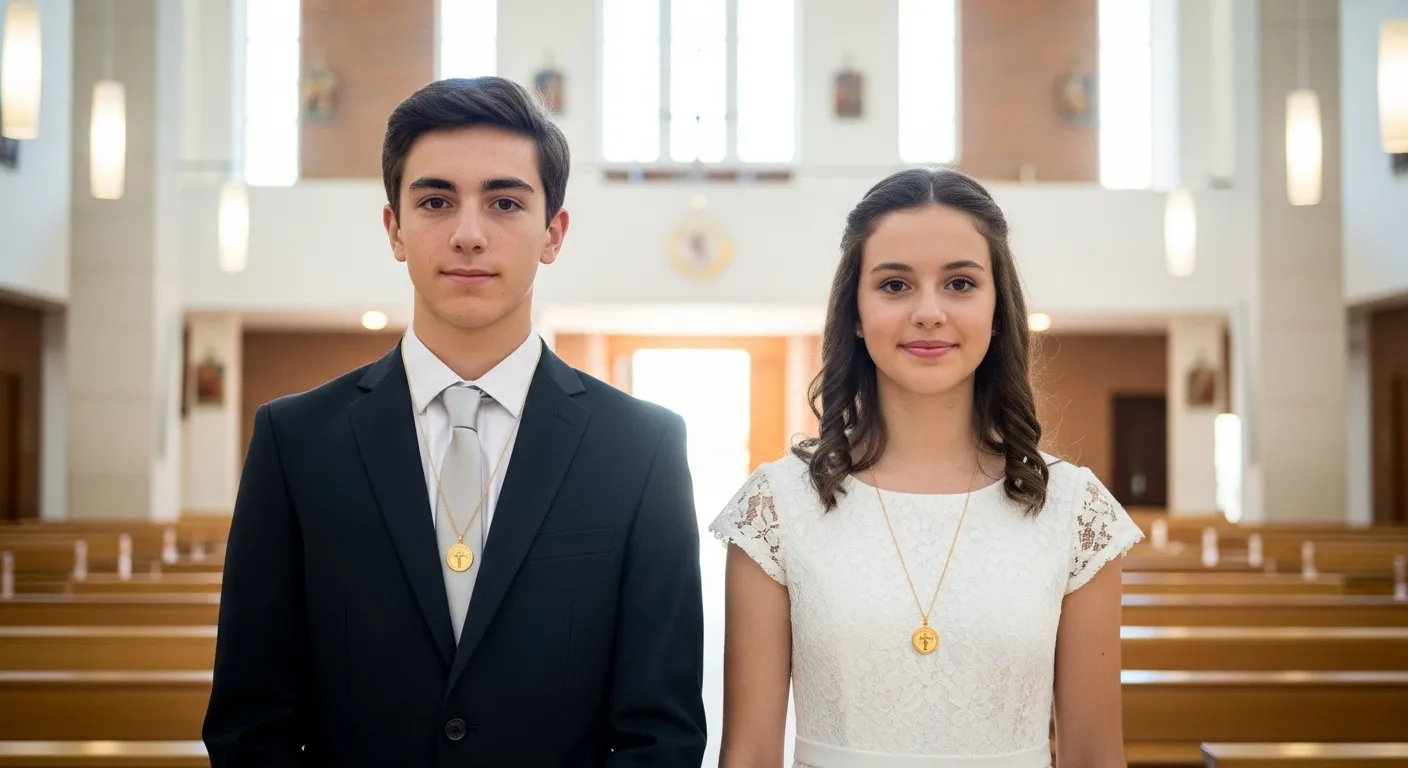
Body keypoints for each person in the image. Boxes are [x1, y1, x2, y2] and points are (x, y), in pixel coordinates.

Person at [203, 77, 707, 767]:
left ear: (554, 233)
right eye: (436, 201)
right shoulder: (297, 443)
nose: (469, 234)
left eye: (504, 203)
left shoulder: (641, 447)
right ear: (395, 229)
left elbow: (662, 732)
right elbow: (249, 723)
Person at [709, 167, 1143, 768]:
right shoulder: (777, 506)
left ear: (997, 309)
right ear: (856, 313)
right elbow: (750, 754)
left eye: (961, 283)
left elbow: (1095, 756)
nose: (929, 312)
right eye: (894, 285)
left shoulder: (1075, 510)